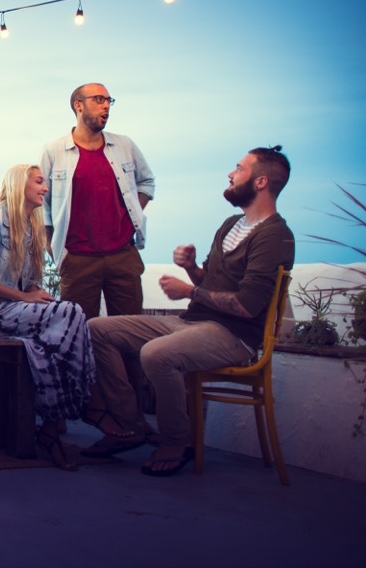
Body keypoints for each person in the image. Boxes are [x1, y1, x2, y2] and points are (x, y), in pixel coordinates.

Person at [84, 147, 296, 477]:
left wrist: (190, 290)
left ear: (261, 181)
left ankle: (176, 442)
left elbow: (246, 305)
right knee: (98, 328)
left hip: (233, 337)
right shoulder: (230, 225)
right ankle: (131, 424)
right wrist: (192, 268)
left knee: (156, 355)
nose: (230, 174)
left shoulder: (275, 236)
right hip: (191, 323)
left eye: (238, 169)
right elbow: (210, 283)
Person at [0, 164, 95, 471]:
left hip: (15, 312)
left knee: (55, 335)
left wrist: (38, 295)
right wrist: (26, 297)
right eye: (39, 182)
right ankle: (82, 406)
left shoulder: (32, 228)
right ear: (21, 185)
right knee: (71, 314)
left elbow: (32, 283)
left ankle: (50, 426)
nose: (45, 188)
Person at [39, 83, 155, 319]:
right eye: (99, 99)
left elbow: (147, 182)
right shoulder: (54, 151)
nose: (106, 106)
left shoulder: (124, 145)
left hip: (123, 254)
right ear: (78, 105)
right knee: (79, 330)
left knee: (130, 330)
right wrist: (54, 251)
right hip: (78, 258)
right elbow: (41, 204)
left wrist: (130, 212)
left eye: (109, 101)